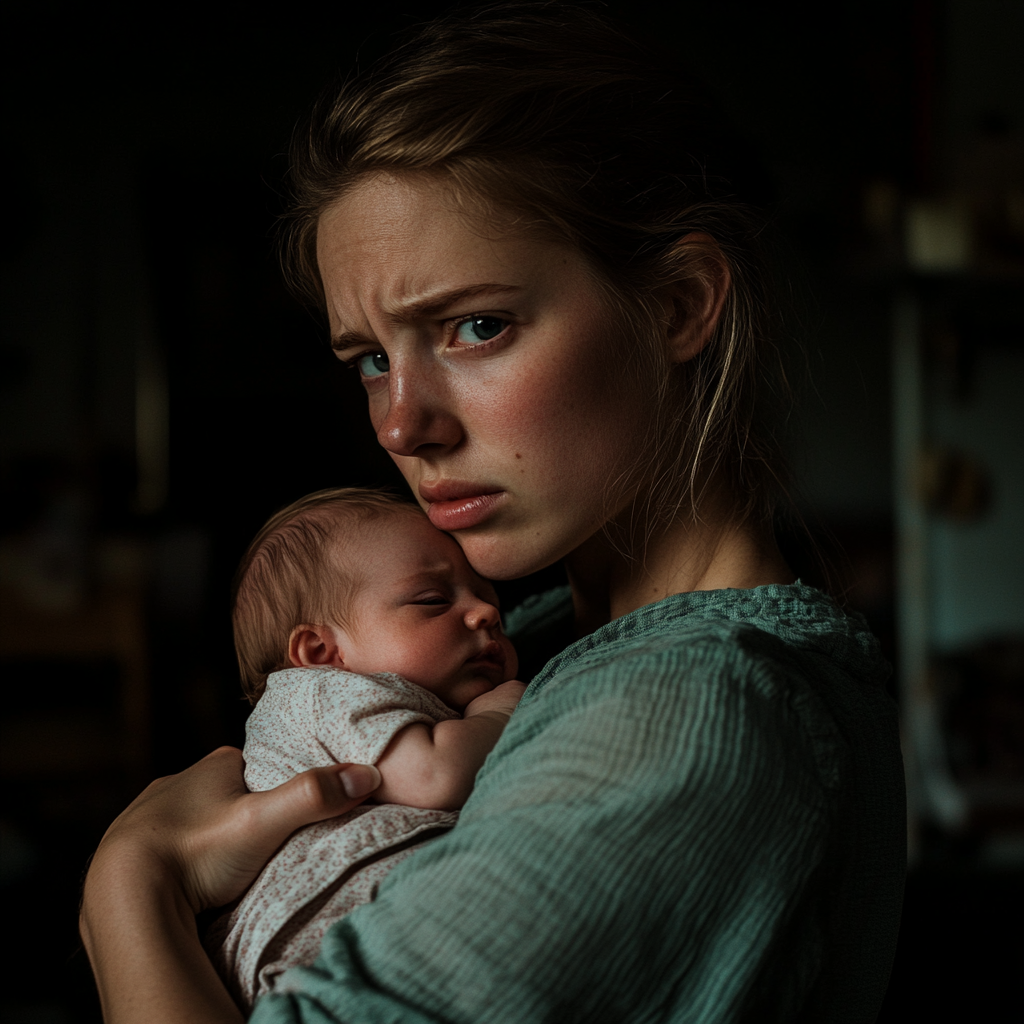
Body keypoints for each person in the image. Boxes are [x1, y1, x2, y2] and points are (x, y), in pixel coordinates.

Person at [79, 7, 906, 1023]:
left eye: (475, 327)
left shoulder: (688, 717)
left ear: (680, 303)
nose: (400, 423)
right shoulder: (543, 642)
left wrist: (129, 889)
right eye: (372, 358)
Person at [206, 488, 524, 1010]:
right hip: (317, 937)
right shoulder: (319, 692)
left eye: (486, 596)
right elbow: (433, 776)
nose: (486, 611)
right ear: (319, 651)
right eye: (433, 600)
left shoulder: (390, 696)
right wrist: (500, 714)